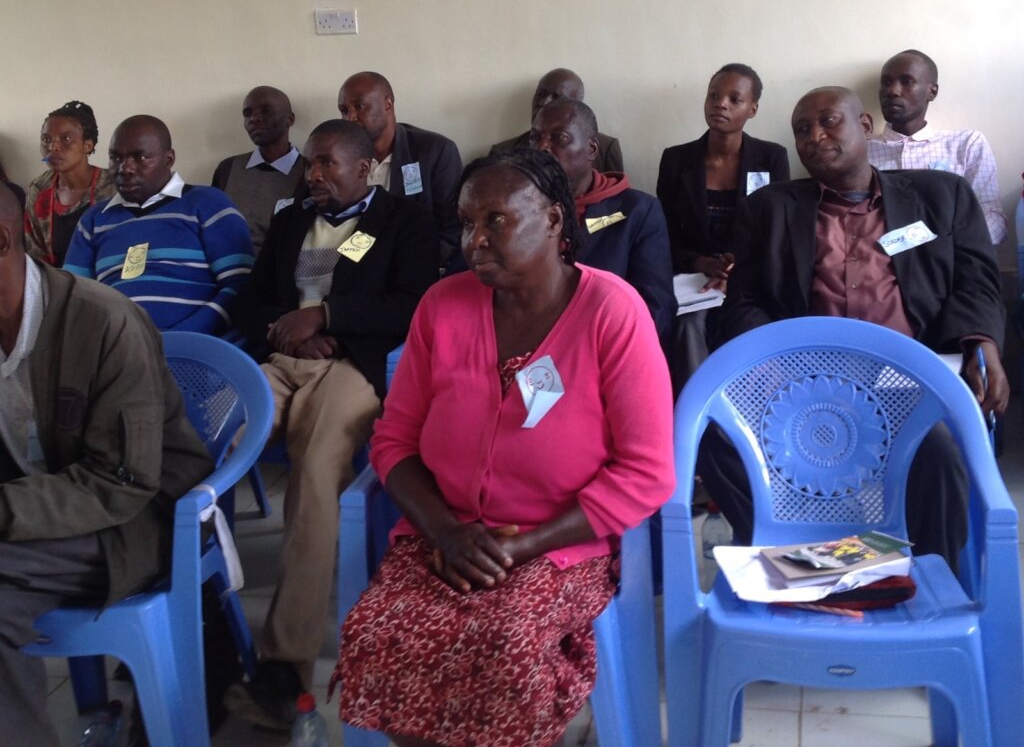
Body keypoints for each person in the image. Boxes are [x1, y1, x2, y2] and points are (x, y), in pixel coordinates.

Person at [333, 149, 674, 747]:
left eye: (496, 220)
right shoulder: (442, 306)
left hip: (560, 545)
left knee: (506, 640)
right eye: (467, 223)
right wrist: (447, 532)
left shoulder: (611, 311)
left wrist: (521, 547)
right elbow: (394, 440)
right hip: (444, 536)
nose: (476, 241)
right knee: (379, 630)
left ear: (554, 219)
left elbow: (647, 472)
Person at [702, 86, 1008, 569]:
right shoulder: (770, 208)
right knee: (713, 439)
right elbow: (743, 302)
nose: (815, 136)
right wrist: (773, 368)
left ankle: (925, 577)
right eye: (802, 129)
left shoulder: (940, 196)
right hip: (806, 385)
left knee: (938, 449)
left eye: (828, 121)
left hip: (906, 380)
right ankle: (807, 554)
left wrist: (981, 341)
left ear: (864, 126)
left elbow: (977, 281)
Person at [224, 119, 439, 730]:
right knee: (208, 451)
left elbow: (415, 306)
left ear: (364, 166)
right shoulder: (292, 220)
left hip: (352, 366)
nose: (313, 175)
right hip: (282, 362)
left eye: (326, 164)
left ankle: (284, 666)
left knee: (316, 471)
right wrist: (286, 330)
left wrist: (325, 317)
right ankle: (202, 620)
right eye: (310, 165)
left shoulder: (404, 221)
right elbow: (249, 301)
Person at [0, 181, 213, 747]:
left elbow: (121, 481)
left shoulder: (104, 322)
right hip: (40, 511)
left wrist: (4, 508)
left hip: (136, 521)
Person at [656, 64, 789, 390]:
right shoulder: (676, 160)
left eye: (734, 99)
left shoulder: (771, 157)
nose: (721, 104)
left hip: (749, 274)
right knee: (688, 325)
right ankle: (697, 407)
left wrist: (735, 269)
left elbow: (776, 233)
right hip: (692, 278)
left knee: (752, 324)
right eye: (714, 96)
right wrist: (700, 262)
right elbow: (663, 232)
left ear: (753, 108)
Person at [63, 115, 254, 335]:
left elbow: (241, 286)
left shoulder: (208, 204)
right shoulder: (94, 219)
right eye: (115, 158)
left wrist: (184, 336)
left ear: (169, 159)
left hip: (196, 346)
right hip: (117, 347)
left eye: (140, 157)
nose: (125, 168)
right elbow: (74, 299)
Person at [529, 97, 675, 341]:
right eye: (535, 138)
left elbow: (656, 306)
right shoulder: (517, 208)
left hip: (604, 346)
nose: (542, 147)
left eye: (558, 138)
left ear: (592, 149)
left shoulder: (637, 211)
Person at [867, 49, 1007, 244]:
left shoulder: (966, 145)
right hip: (879, 259)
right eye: (886, 82)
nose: (892, 91)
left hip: (952, 259)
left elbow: (992, 217)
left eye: (906, 81)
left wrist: (948, 250)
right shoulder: (862, 152)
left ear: (932, 91)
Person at [338, 71, 462, 269]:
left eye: (359, 106)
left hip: (418, 268)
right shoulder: (343, 158)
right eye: (344, 110)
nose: (350, 118)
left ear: (388, 104)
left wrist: (410, 269)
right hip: (356, 269)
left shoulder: (434, 151)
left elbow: (452, 230)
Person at [211, 85, 305, 253]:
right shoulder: (228, 169)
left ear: (290, 119)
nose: (254, 119)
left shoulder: (309, 172)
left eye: (266, 111)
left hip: (279, 265)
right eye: (247, 114)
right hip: (227, 263)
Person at [24, 101, 114, 266]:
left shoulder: (113, 186)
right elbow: (34, 252)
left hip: (105, 277)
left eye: (65, 138)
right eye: (46, 139)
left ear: (88, 145)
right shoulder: (39, 188)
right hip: (54, 279)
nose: (53, 147)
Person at [490, 68, 625, 173]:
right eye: (540, 95)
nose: (544, 103)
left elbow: (617, 196)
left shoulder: (605, 149)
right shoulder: (502, 152)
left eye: (556, 97)